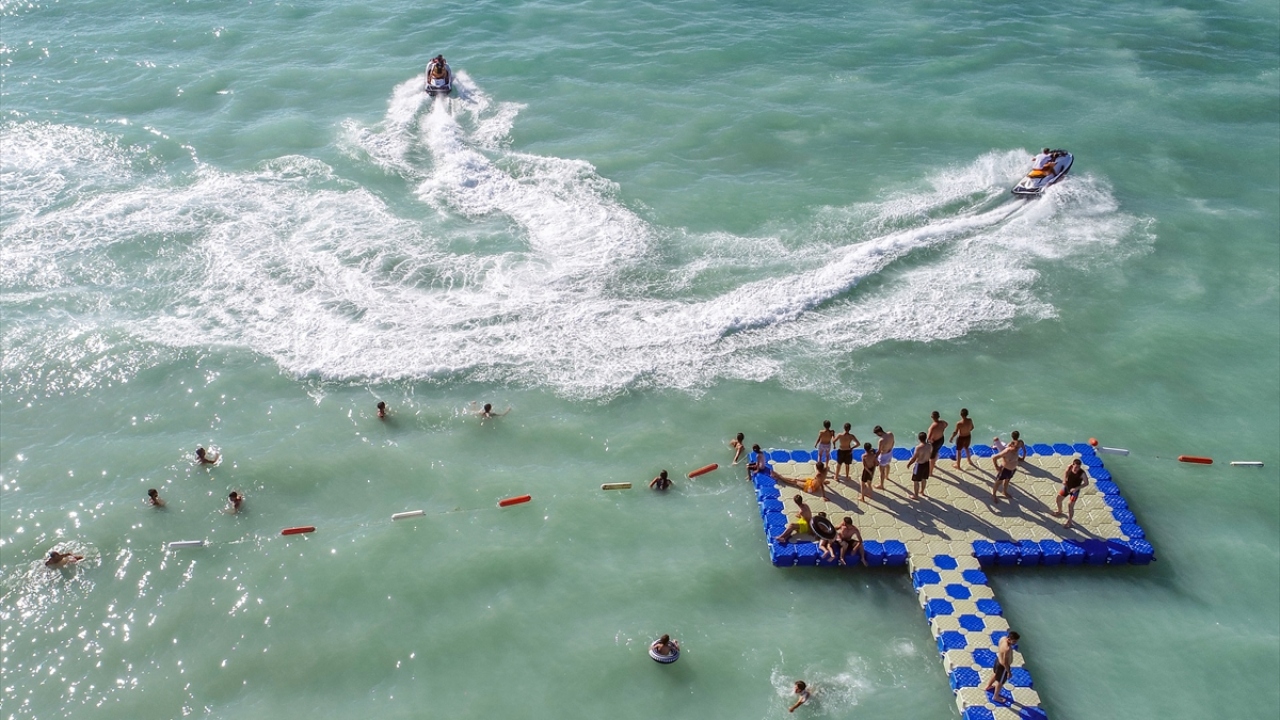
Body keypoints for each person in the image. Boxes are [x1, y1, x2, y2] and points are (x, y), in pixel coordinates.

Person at [984, 631, 1020, 704]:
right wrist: (1009, 672)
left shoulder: (1003, 638)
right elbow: (1005, 662)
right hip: (1002, 667)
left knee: (995, 674)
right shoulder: (1007, 649)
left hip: (997, 660)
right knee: (1000, 682)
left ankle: (988, 686)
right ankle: (996, 697)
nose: (1015, 643)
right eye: (1014, 641)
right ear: (1009, 639)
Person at [1054, 458, 1090, 528]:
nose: (1077, 469)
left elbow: (1086, 483)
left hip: (1074, 491)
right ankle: (1060, 511)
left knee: (1070, 506)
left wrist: (1076, 488)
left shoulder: (1082, 473)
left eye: (1079, 467)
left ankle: (1069, 521)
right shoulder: (1069, 467)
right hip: (1067, 487)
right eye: (1076, 467)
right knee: (1058, 499)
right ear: (1073, 465)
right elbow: (1066, 472)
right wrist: (1064, 480)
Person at [908, 431, 931, 499]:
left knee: (916, 481)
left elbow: (914, 458)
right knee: (924, 479)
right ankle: (922, 492)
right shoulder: (930, 446)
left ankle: (916, 495)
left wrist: (909, 464)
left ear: (919, 439)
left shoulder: (918, 447)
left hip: (919, 465)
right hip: (927, 463)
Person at [926, 411, 948, 477]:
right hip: (941, 439)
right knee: (936, 451)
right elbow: (946, 424)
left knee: (931, 457)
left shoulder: (933, 426)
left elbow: (929, 437)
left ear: (932, 417)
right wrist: (942, 429)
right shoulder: (942, 423)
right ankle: (934, 464)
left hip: (934, 442)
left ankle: (930, 472)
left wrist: (929, 441)